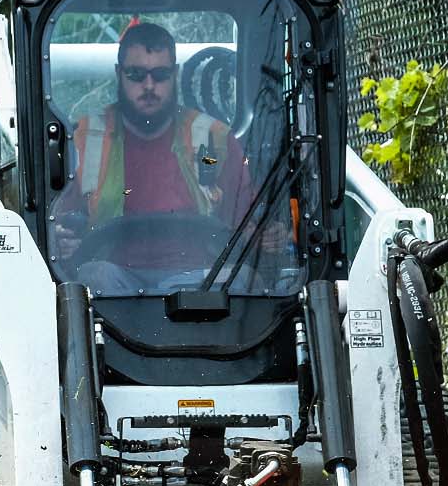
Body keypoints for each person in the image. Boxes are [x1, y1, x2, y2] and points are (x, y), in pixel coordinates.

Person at [53, 22, 292, 294]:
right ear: (119, 74)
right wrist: (62, 240)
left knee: (243, 281)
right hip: (114, 286)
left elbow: (243, 219)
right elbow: (61, 224)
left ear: (175, 74)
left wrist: (265, 236)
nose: (149, 85)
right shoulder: (84, 140)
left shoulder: (213, 140)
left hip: (201, 284)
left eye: (160, 74)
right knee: (90, 279)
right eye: (136, 74)